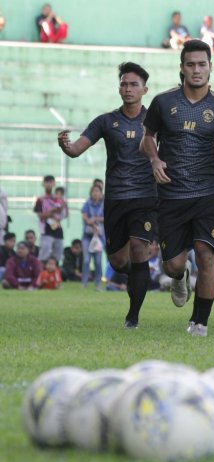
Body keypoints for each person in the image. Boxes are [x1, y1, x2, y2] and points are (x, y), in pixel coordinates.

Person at [142, 40, 214, 337]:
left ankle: (200, 322)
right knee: (173, 265)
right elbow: (148, 137)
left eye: (202, 64)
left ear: (210, 67)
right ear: (182, 68)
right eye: (191, 64)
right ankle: (180, 275)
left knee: (205, 254)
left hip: (209, 194)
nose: (196, 70)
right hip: (171, 195)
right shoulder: (163, 102)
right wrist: (154, 159)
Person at [58, 62, 157, 328]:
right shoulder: (106, 121)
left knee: (139, 249)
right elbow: (77, 149)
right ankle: (142, 275)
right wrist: (66, 147)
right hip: (115, 199)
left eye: (133, 84)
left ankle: (132, 317)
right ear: (119, 87)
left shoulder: (156, 122)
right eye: (124, 84)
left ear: (144, 89)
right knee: (119, 260)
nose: (128, 88)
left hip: (146, 197)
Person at [33, 175, 65, 264]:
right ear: (43, 184)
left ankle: (55, 276)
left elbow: (63, 213)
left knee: (57, 254)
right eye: (47, 182)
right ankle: (41, 275)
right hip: (46, 230)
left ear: (54, 183)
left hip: (58, 228)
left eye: (51, 182)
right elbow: (40, 215)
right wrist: (52, 212)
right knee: (44, 254)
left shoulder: (59, 199)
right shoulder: (40, 199)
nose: (49, 184)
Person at [80, 184, 105, 290]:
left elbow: (106, 217)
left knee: (98, 261)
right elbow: (85, 217)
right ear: (91, 193)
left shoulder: (104, 205)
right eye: (94, 191)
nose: (95, 193)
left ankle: (98, 283)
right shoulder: (87, 204)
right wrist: (92, 221)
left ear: (101, 193)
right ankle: (84, 283)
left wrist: (94, 219)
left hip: (99, 237)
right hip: (87, 236)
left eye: (97, 191)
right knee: (86, 260)